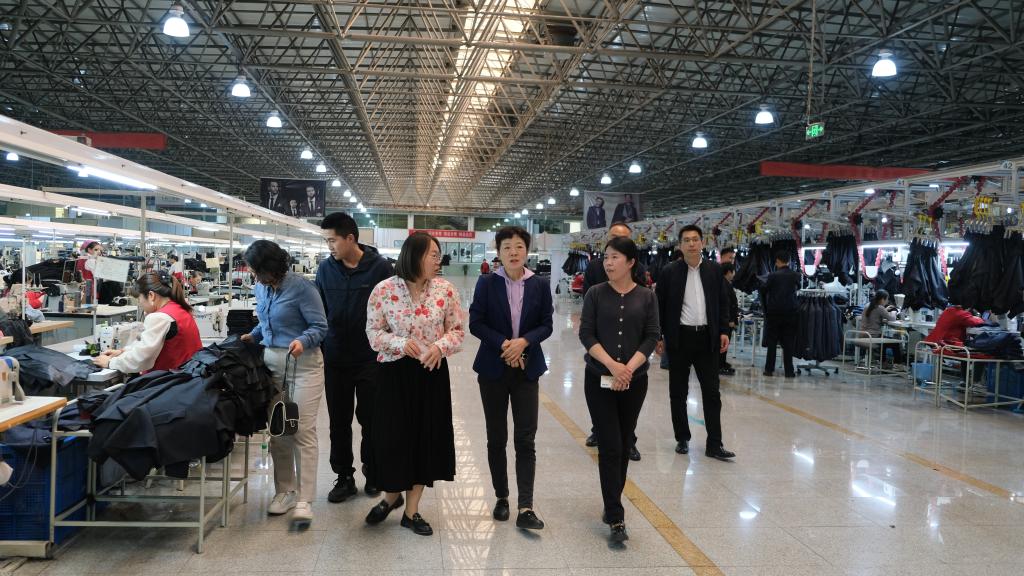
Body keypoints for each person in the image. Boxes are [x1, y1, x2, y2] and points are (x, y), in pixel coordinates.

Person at [364, 232, 465, 536]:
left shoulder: (445, 290)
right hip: (393, 374)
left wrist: (440, 347)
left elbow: (457, 331)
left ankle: (411, 511)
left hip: (430, 373)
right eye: (433, 254)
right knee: (392, 439)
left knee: (425, 439)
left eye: (438, 255)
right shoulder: (384, 290)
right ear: (415, 255)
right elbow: (372, 333)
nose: (438, 260)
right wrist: (399, 343)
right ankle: (390, 497)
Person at [469, 226, 552, 530]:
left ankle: (525, 506)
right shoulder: (487, 283)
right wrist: (506, 344)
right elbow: (476, 323)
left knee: (525, 439)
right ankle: (502, 496)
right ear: (499, 252)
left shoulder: (539, 284)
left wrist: (524, 342)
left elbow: (547, 324)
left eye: (518, 246)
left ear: (527, 251)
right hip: (493, 369)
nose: (513, 252)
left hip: (527, 369)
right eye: (507, 247)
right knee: (496, 437)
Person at [578, 236, 660, 543]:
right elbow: (586, 334)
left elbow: (652, 335)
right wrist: (613, 365)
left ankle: (612, 502)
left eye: (614, 257)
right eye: (606, 257)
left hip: (634, 382)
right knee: (610, 444)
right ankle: (615, 514)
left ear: (630, 262)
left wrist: (629, 368)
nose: (608, 263)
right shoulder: (595, 293)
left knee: (624, 444)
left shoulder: (647, 296)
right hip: (598, 379)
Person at [241, 240, 327, 527]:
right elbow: (266, 321)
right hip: (272, 364)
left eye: (256, 270)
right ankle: (285, 491)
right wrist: (254, 335)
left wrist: (302, 340)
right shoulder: (261, 287)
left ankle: (305, 498)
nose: (253, 276)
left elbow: (320, 326)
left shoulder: (302, 288)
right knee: (278, 431)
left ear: (270, 267)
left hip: (303, 365)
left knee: (301, 428)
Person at [316, 212, 394, 502]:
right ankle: (344, 476)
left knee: (371, 420)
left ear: (350, 238)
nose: (329, 247)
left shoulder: (380, 268)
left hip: (370, 358)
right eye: (326, 241)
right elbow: (320, 310)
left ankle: (373, 472)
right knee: (339, 422)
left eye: (332, 240)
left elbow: (391, 311)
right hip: (336, 358)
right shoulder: (325, 269)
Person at [655, 225, 735, 461]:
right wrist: (658, 336)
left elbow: (722, 302)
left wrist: (723, 330)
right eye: (686, 240)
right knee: (678, 392)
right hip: (679, 338)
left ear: (702, 243)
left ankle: (715, 444)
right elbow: (659, 306)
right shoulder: (669, 272)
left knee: (712, 393)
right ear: (680, 245)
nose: (691, 244)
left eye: (695, 239)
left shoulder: (713, 270)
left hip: (707, 339)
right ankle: (682, 438)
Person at [582, 221, 644, 461]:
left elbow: (642, 308)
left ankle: (629, 441)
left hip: (629, 347)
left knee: (628, 407)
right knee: (601, 398)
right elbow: (588, 314)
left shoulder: (637, 267)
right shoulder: (595, 268)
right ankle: (598, 431)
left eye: (622, 237)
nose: (610, 262)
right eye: (613, 236)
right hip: (601, 342)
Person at [92, 271, 201, 373]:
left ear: (151, 296)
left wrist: (110, 362)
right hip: (188, 378)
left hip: (168, 380)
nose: (140, 304)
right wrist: (123, 351)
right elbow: (146, 346)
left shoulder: (160, 317)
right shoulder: (179, 309)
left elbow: (142, 359)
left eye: (139, 299)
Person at [761, 251, 800, 377]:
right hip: (790, 312)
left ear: (777, 261)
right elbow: (798, 288)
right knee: (788, 342)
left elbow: (765, 290)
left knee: (772, 342)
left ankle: (769, 369)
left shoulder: (773, 276)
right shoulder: (795, 275)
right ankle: (789, 371)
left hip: (774, 312)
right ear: (788, 261)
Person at [861, 290, 903, 364]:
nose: (887, 301)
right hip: (873, 336)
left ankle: (882, 362)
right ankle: (897, 364)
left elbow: (874, 317)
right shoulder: (879, 308)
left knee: (883, 340)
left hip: (864, 335)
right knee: (895, 343)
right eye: (887, 299)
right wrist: (894, 311)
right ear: (882, 299)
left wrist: (885, 310)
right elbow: (892, 318)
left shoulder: (868, 305)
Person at [719, 263, 738, 376]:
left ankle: (722, 363)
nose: (734, 274)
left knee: (724, 343)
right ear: (729, 272)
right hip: (726, 321)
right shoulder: (724, 285)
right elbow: (727, 304)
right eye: (733, 271)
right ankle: (720, 366)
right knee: (723, 343)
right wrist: (731, 320)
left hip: (727, 320)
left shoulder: (725, 283)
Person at [76, 240, 103, 304]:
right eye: (96, 250)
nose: (99, 252)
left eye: (100, 250)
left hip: (83, 287)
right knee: (90, 306)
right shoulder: (91, 260)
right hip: (91, 287)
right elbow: (98, 276)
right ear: (89, 250)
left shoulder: (81, 259)